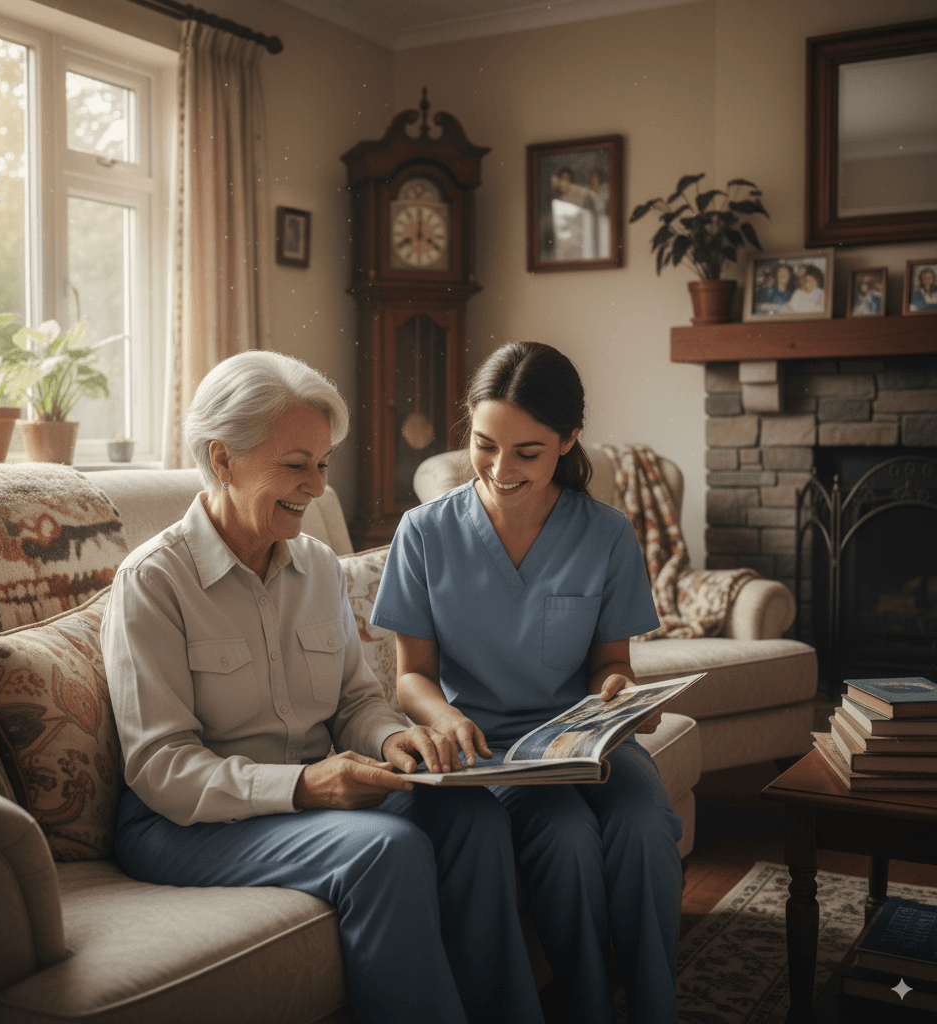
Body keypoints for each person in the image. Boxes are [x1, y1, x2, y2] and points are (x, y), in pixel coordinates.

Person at [101, 350, 544, 1024]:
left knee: (474, 818)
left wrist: (397, 739)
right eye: (294, 464)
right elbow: (162, 769)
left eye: (322, 463)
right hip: (183, 821)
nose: (316, 486)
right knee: (384, 851)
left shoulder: (316, 567)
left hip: (307, 793)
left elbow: (355, 701)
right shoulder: (152, 582)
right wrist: (305, 787)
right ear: (224, 459)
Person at [371, 341, 683, 1024]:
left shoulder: (606, 535)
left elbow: (612, 664)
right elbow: (412, 678)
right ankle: (589, 1009)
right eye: (485, 445)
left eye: (527, 453)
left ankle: (658, 1008)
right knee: (566, 841)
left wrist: (619, 695)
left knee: (643, 824)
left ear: (568, 440)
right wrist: (444, 719)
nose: (501, 469)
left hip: (589, 743)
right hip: (492, 749)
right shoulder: (423, 533)